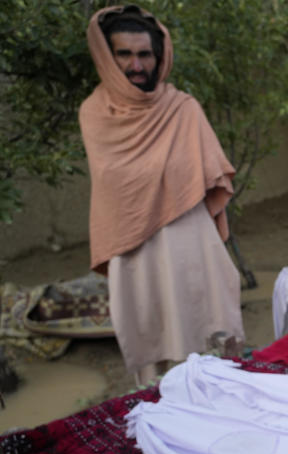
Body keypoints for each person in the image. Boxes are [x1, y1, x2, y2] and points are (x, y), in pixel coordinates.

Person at [80, 5, 243, 386]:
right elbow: (113, 186)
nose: (136, 65)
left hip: (191, 248)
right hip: (133, 252)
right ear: (108, 56)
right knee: (152, 369)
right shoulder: (93, 114)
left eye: (144, 55)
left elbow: (213, 185)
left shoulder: (184, 110)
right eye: (125, 54)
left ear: (159, 56)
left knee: (206, 360)